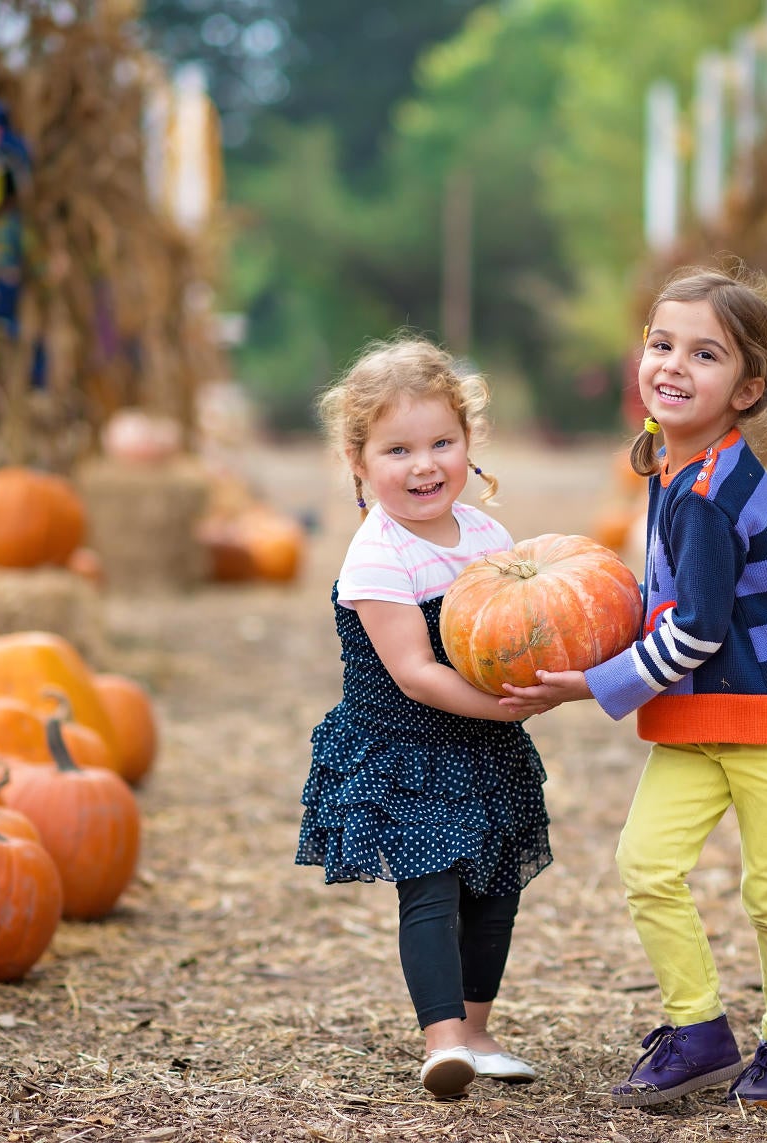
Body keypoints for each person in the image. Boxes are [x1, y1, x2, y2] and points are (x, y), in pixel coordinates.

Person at [502, 265, 767, 1111]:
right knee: (646, 862)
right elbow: (675, 605)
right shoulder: (676, 468)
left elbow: (695, 628)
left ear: (748, 388)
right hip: (707, 710)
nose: (673, 364)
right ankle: (699, 1029)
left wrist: (592, 682)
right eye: (662, 344)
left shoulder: (708, 493)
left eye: (705, 353)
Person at [296, 337, 557, 1100]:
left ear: (469, 443)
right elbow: (415, 673)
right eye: (398, 448)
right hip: (406, 748)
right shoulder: (379, 555)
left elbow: (512, 630)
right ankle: (441, 1040)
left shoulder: (487, 538)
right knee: (433, 887)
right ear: (358, 461)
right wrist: (509, 704)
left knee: (496, 887)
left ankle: (478, 1030)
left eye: (442, 442)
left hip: (484, 745)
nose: (424, 464)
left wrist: (543, 674)